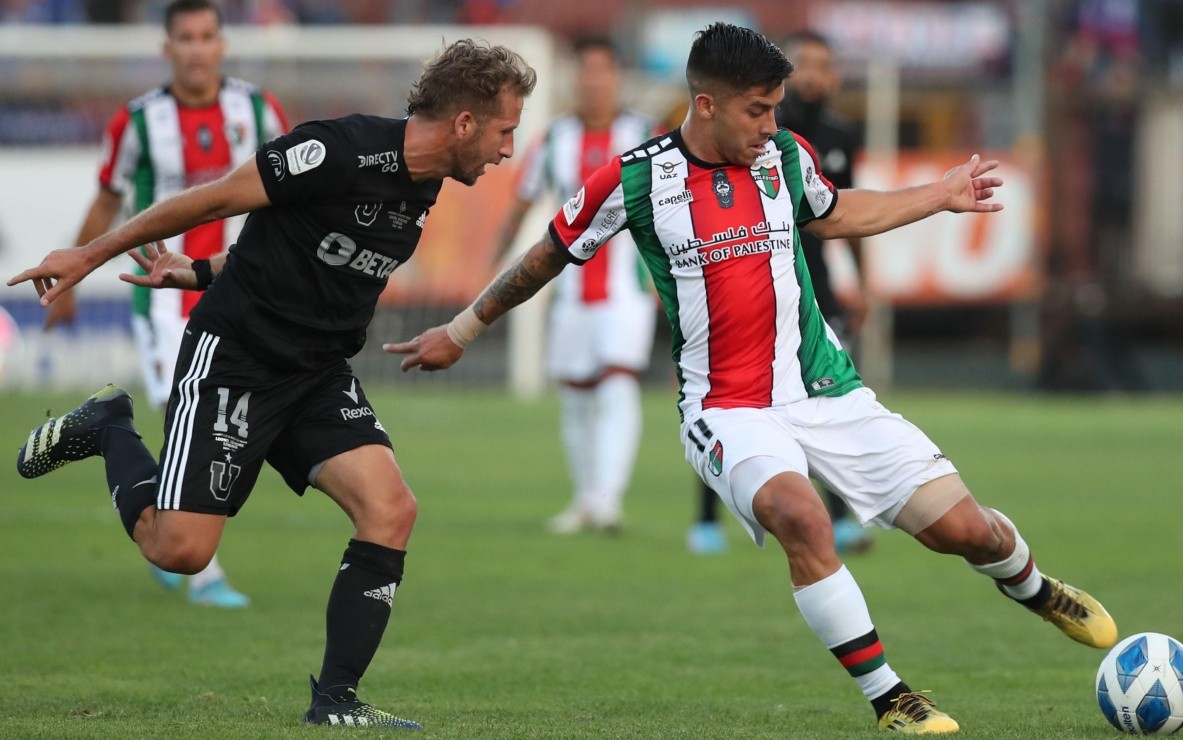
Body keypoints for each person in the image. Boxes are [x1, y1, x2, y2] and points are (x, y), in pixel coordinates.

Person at [392, 23, 1117, 734]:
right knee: (803, 517)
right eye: (758, 110)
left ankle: (1035, 587)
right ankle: (892, 698)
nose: (772, 125)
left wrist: (939, 193)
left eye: (776, 109)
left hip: (826, 389)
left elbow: (833, 214)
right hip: (726, 409)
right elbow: (546, 256)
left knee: (970, 532)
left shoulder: (786, 157)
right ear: (706, 105)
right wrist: (463, 331)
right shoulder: (636, 177)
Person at [11, 39, 536, 727]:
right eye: (505, 132)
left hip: (315, 373)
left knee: (391, 510)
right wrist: (88, 254)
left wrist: (198, 273)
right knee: (182, 551)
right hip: (239, 358)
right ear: (464, 123)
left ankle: (336, 702)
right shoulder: (339, 149)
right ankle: (109, 426)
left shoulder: (429, 181)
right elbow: (216, 200)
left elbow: (292, 241)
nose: (506, 150)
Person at [45, 0, 291, 608]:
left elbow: (290, 194)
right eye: (186, 38)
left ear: (221, 44)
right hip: (162, 299)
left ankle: (159, 517)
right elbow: (107, 202)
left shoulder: (257, 110)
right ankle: (199, 568)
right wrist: (74, 273)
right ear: (167, 48)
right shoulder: (137, 122)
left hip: (236, 288)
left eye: (208, 36)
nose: (198, 49)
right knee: (190, 414)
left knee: (223, 419)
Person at [688, 29, 873, 557]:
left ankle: (838, 518)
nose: (814, 74)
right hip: (750, 292)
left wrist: (859, 281)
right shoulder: (757, 129)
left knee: (824, 400)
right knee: (730, 402)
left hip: (816, 291)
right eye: (805, 64)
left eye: (823, 64)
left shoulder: (839, 135)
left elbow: (842, 211)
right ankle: (706, 519)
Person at [493, 36, 657, 534]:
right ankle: (585, 499)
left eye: (602, 72)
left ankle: (608, 500)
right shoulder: (552, 139)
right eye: (584, 73)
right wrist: (491, 267)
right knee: (578, 397)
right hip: (568, 292)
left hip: (628, 289)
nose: (593, 83)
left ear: (617, 78)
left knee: (616, 384)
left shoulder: (647, 135)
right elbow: (522, 202)